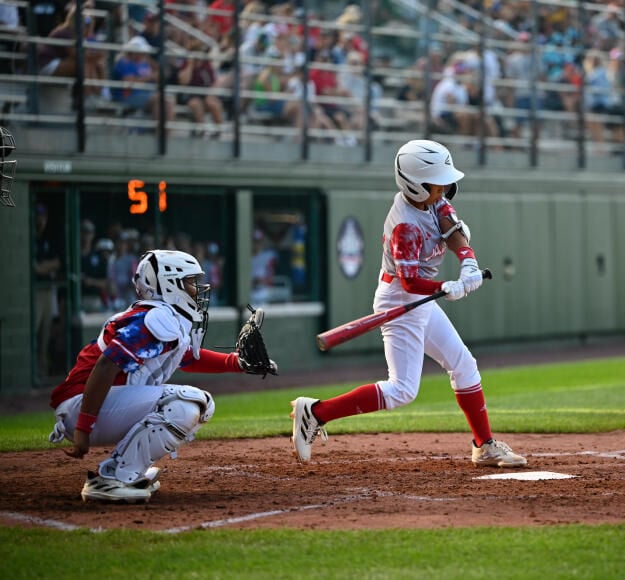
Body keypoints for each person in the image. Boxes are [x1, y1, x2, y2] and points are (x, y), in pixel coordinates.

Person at [289, 140, 527, 469]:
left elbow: (452, 228)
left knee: (464, 365)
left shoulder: (434, 201)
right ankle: (315, 412)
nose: (444, 186)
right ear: (415, 184)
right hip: (401, 297)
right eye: (436, 181)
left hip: (421, 298)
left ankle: (484, 446)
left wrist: (468, 261)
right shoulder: (405, 226)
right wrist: (446, 285)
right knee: (402, 389)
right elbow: (411, 281)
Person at [48, 250, 277, 503]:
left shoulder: (161, 316)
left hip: (93, 404)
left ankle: (127, 469)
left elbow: (185, 357)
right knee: (188, 402)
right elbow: (105, 366)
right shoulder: (156, 318)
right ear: (169, 284)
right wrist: (83, 427)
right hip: (82, 406)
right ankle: (113, 478)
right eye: (190, 281)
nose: (197, 289)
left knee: (201, 405)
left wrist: (237, 362)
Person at [33, 203, 61, 382]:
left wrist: (46, 267)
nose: (41, 220)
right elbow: (34, 268)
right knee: (34, 332)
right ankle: (33, 373)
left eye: (44, 217)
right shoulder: (30, 238)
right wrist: (46, 267)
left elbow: (58, 263)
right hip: (35, 292)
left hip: (48, 290)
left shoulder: (46, 239)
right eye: (39, 216)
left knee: (46, 334)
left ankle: (42, 373)